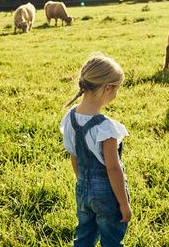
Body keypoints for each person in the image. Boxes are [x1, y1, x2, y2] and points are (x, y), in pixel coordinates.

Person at [60, 54, 132, 247]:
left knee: (84, 234)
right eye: (116, 89)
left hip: (82, 188)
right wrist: (124, 204)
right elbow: (113, 169)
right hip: (107, 193)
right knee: (110, 238)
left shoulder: (70, 117)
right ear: (108, 88)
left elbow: (74, 156)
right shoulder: (106, 128)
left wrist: (83, 183)